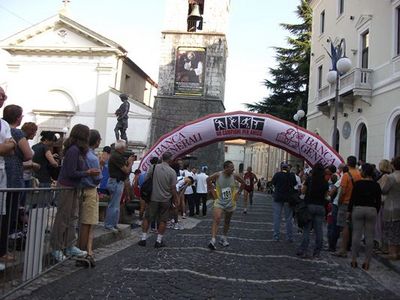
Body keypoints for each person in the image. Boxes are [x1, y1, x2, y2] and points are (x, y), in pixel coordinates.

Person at [50, 124, 100, 262]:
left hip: (73, 187)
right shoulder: (73, 150)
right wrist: (88, 172)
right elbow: (71, 172)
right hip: (66, 186)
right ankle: (56, 247)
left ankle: (69, 245)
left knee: (72, 217)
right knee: (63, 218)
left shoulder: (79, 151)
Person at [138, 151, 178, 248]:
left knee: (147, 217)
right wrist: (175, 199)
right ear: (170, 160)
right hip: (165, 199)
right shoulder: (172, 172)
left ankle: (143, 239)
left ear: (162, 158)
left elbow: (147, 179)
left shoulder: (154, 167)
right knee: (163, 220)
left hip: (153, 198)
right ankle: (158, 241)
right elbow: (173, 188)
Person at [348, 163, 381, 270]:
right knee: (369, 236)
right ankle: (367, 262)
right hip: (371, 209)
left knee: (356, 235)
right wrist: (376, 210)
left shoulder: (358, 184)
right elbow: (379, 201)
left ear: (364, 172)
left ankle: (354, 260)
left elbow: (352, 199)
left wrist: (349, 211)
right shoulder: (376, 185)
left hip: (358, 209)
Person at [206, 160, 245, 250]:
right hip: (219, 201)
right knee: (217, 218)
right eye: (231, 167)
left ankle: (223, 237)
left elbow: (243, 183)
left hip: (230, 202)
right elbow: (208, 180)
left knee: (227, 221)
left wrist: (238, 193)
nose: (233, 169)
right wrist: (212, 190)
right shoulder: (218, 175)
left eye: (233, 167)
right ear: (226, 168)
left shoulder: (234, 176)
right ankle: (213, 240)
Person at [77, 129, 102, 267]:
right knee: (88, 223)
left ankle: (87, 251)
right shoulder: (92, 158)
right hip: (90, 189)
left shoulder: (82, 154)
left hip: (80, 189)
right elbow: (97, 178)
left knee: (84, 223)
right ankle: (85, 252)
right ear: (96, 141)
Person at [296, 163, 329, 258]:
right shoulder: (325, 182)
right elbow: (326, 195)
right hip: (320, 207)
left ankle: (304, 250)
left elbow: (303, 191)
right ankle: (317, 252)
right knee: (319, 231)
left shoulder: (309, 179)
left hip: (309, 206)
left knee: (306, 229)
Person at [0, 88, 17, 264]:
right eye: (1, 95)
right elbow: (6, 147)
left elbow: (11, 151)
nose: (4, 98)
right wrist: (6, 146)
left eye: (5, 96)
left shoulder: (4, 124)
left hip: (2, 172)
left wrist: (7, 146)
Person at [333, 155, 362, 257]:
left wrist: (339, 201)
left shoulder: (346, 175)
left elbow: (343, 191)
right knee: (355, 228)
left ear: (348, 163)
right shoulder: (359, 174)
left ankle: (343, 249)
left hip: (346, 203)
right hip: (356, 204)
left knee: (345, 227)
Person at [104, 139, 135, 232]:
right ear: (121, 148)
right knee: (114, 205)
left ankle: (113, 224)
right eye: (125, 147)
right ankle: (110, 225)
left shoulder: (116, 156)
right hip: (116, 182)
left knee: (116, 205)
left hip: (117, 181)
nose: (125, 149)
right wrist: (130, 163)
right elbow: (126, 170)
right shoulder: (116, 157)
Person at [379, 156, 400, 260]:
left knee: (391, 230)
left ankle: (392, 253)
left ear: (393, 165)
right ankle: (398, 251)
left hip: (391, 207)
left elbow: (384, 190)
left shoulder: (391, 177)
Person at [271, 162, 297, 242]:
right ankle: (289, 237)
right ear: (287, 168)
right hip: (288, 199)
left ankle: (276, 236)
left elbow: (273, 183)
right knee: (288, 219)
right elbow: (294, 184)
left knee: (277, 218)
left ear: (281, 168)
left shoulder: (277, 174)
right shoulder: (292, 175)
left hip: (278, 198)